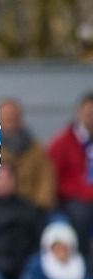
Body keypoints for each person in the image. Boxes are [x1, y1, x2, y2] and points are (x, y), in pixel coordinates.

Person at [46, 93, 93, 250]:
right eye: (88, 113)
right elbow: (52, 177)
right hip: (73, 201)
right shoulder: (63, 143)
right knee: (81, 215)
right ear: (79, 113)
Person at [0, 98, 55, 210]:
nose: (10, 121)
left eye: (13, 117)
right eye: (6, 118)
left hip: (31, 206)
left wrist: (40, 205)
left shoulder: (35, 148)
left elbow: (46, 177)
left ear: (20, 119)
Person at [21, 219, 85, 279]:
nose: (60, 251)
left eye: (64, 247)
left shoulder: (84, 266)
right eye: (56, 247)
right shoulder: (36, 267)